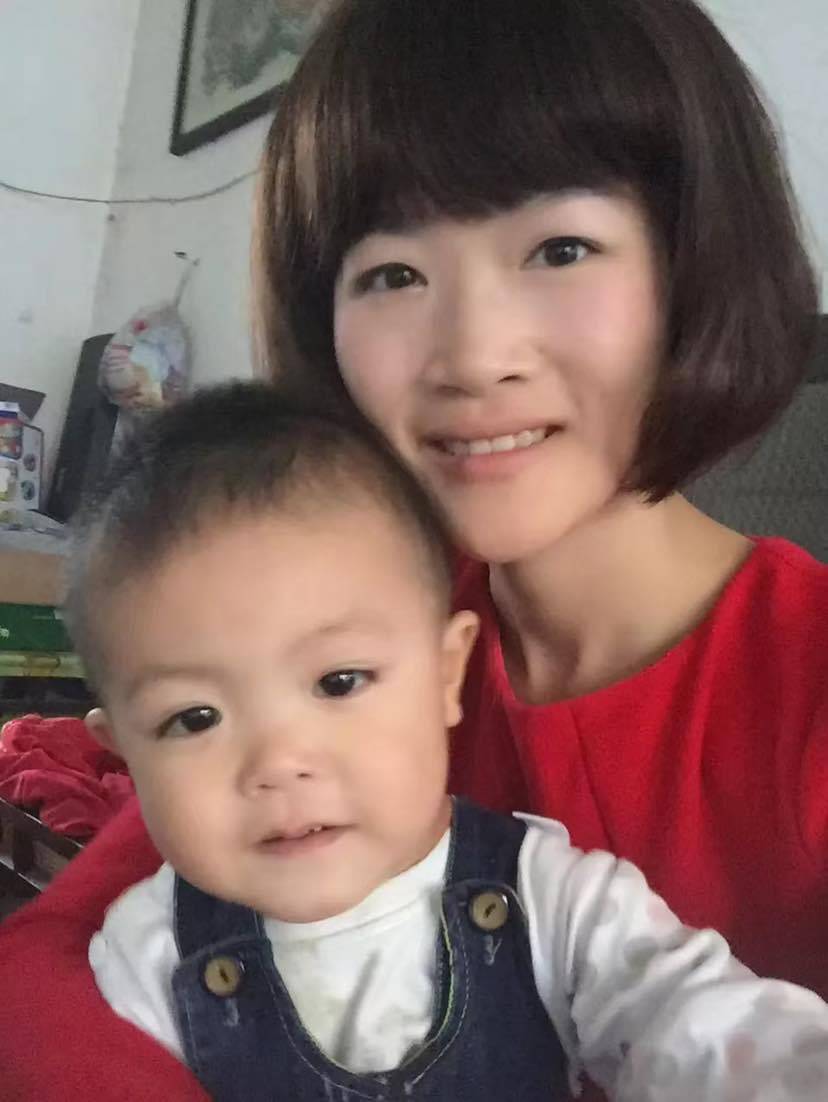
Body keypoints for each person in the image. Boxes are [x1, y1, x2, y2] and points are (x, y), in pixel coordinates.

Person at [0, 0, 825, 1098]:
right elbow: (48, 982)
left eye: (562, 248)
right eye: (392, 273)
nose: (474, 356)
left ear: (692, 268)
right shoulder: (324, 630)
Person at [73, 381, 828, 1101]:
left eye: (339, 682)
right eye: (195, 719)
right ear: (125, 752)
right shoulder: (146, 958)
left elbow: (703, 1029)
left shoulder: (555, 904)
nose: (279, 764)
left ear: (446, 673)